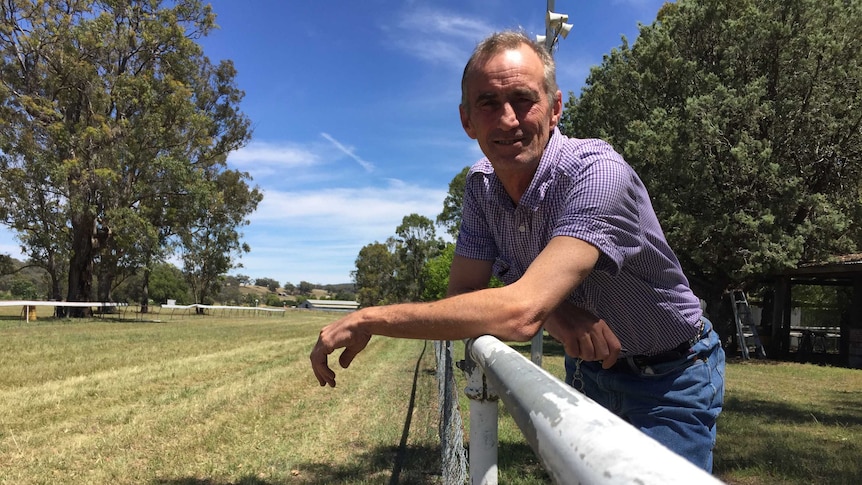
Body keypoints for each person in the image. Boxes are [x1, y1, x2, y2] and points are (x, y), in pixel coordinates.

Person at [310, 30, 725, 472]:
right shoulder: (481, 186)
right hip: (588, 370)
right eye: (488, 103)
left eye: (524, 99)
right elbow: (463, 295)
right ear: (467, 120)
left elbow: (520, 314)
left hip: (672, 376)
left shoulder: (599, 174)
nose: (508, 120)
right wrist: (556, 310)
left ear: (556, 108)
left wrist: (370, 318)